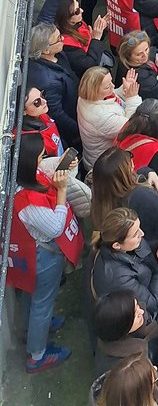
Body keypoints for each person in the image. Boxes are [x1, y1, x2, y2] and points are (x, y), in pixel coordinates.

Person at [7, 132, 80, 372]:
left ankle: (31, 328)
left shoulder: (20, 179)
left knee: (32, 295)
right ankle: (37, 355)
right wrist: (61, 191)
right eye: (39, 157)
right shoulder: (26, 202)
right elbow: (55, 227)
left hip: (29, 256)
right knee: (42, 302)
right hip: (41, 255)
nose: (42, 161)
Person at [90, 146, 158, 252]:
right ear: (124, 173)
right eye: (129, 158)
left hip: (133, 249)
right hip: (151, 248)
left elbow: (132, 177)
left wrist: (147, 172)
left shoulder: (101, 197)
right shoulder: (138, 196)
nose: (132, 160)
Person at [88, 208, 158, 322]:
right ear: (116, 245)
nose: (142, 233)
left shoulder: (122, 246)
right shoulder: (118, 278)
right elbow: (154, 304)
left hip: (154, 288)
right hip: (150, 318)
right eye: (135, 234)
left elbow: (144, 253)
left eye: (139, 227)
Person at [26, 23, 80, 149]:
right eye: (58, 38)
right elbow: (58, 114)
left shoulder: (57, 54)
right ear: (46, 50)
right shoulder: (48, 81)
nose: (63, 39)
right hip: (72, 122)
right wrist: (79, 130)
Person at [77, 66, 142, 169]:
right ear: (94, 90)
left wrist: (125, 89)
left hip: (93, 156)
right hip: (102, 165)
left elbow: (111, 96)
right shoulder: (101, 117)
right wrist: (133, 98)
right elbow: (131, 127)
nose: (113, 86)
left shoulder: (85, 97)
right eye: (107, 86)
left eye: (111, 81)